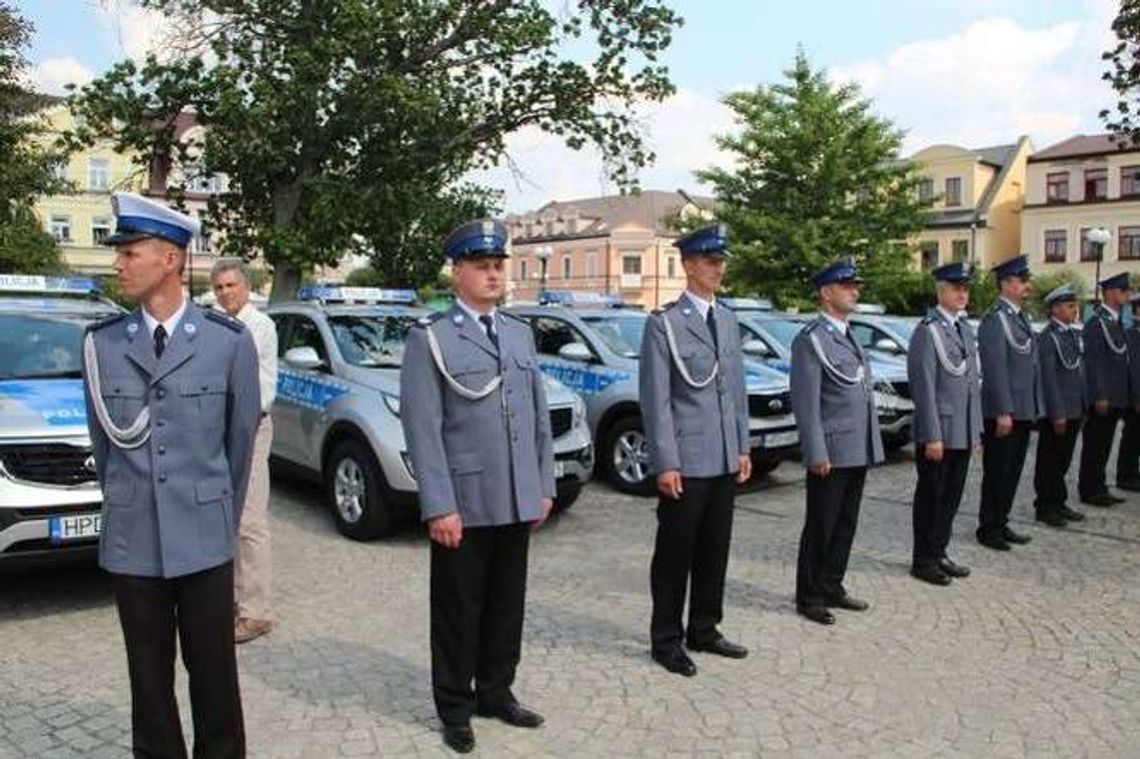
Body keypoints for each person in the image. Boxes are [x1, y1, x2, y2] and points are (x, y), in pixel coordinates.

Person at [82, 192, 260, 757]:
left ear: (171, 260)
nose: (118, 262)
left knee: (215, 678)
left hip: (204, 539)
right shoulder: (102, 344)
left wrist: (216, 515)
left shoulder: (227, 343)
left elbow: (239, 446)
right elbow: (104, 446)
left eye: (130, 252)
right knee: (148, 685)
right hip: (134, 540)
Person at [400, 219, 554, 754]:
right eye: (482, 266)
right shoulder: (432, 338)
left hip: (515, 495)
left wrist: (543, 483)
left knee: (506, 605)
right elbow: (423, 428)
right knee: (458, 611)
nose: (493, 275)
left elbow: (536, 416)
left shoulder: (517, 333)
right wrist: (438, 504)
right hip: (463, 501)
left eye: (498, 266)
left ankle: (496, 692)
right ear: (457, 272)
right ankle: (455, 707)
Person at [639, 223, 751, 678]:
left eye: (721, 261)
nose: (718, 268)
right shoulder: (664, 323)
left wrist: (742, 446)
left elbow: (736, 390)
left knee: (714, 548)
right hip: (686, 458)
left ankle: (705, 627)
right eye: (709, 261)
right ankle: (666, 638)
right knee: (675, 553)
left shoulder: (726, 318)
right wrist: (665, 460)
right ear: (688, 266)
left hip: (723, 455)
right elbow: (656, 398)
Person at [791, 256, 883, 625]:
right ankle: (809, 595)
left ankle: (832, 584)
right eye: (847, 286)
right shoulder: (811, 340)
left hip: (855, 446)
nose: (854, 291)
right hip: (830, 449)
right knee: (822, 524)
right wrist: (815, 450)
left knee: (846, 521)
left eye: (855, 285)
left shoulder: (848, 334)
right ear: (827, 293)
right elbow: (806, 400)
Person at [211, 259, 279, 643]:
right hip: (220, 429)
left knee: (250, 521)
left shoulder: (259, 326)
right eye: (219, 287)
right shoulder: (217, 325)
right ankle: (237, 603)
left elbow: (254, 386)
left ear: (247, 287)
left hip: (251, 426)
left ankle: (257, 612)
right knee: (227, 518)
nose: (225, 293)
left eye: (231, 286)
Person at [906, 262, 981, 586]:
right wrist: (932, 435)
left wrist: (975, 430)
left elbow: (973, 385)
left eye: (965, 288)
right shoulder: (928, 330)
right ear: (941, 291)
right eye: (956, 288)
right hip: (939, 431)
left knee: (951, 496)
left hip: (961, 429)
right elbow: (923, 387)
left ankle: (939, 551)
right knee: (932, 496)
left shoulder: (964, 329)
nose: (962, 293)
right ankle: (923, 559)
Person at [976, 254, 1038, 551]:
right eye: (1022, 280)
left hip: (1022, 409)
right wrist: (1002, 410)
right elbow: (996, 367)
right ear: (1006, 284)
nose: (1027, 285)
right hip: (1004, 411)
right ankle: (989, 527)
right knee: (998, 470)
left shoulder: (1020, 317)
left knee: (1012, 470)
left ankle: (1002, 521)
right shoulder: (995, 319)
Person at [1033, 284, 1088, 527]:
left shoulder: (1071, 334)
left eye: (1074, 305)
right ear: (1054, 309)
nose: (1074, 309)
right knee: (1050, 460)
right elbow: (1049, 378)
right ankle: (1045, 505)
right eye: (1069, 305)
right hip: (1059, 411)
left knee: (1064, 459)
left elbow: (1079, 372)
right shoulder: (1048, 338)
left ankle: (1058, 501)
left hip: (1074, 408)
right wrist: (1057, 412)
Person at [1079, 272, 1132, 506]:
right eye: (1123, 291)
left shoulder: (1117, 321)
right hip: (1103, 397)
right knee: (1095, 445)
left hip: (1116, 395)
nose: (1127, 295)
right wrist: (1100, 394)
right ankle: (1090, 490)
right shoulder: (1097, 322)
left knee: (1105, 445)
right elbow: (1094, 361)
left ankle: (1099, 486)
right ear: (1110, 293)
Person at [1117, 290, 1140, 492]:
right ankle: (1126, 475)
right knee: (1132, 436)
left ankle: (1133, 472)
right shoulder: (1132, 334)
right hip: (1135, 397)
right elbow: (1133, 368)